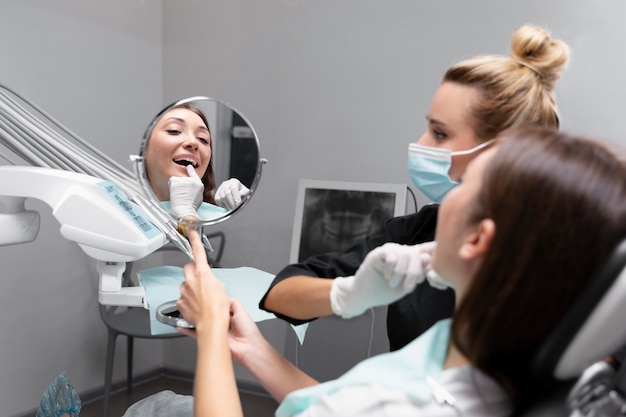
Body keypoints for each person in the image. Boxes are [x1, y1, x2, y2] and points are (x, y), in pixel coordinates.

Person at [123, 127, 626, 416]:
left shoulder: (398, 400)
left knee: (152, 407)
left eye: (466, 183)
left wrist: (211, 336)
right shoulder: (491, 363)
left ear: (477, 240)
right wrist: (249, 348)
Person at [259, 23, 571, 351]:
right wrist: (351, 292)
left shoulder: (568, 256)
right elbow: (283, 292)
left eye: (439, 133)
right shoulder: (419, 233)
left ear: (502, 153)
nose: (420, 144)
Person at [143, 103, 250, 220]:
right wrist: (186, 214)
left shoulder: (216, 217)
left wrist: (240, 209)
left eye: (202, 139)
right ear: (145, 149)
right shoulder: (126, 213)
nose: (193, 142)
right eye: (174, 130)